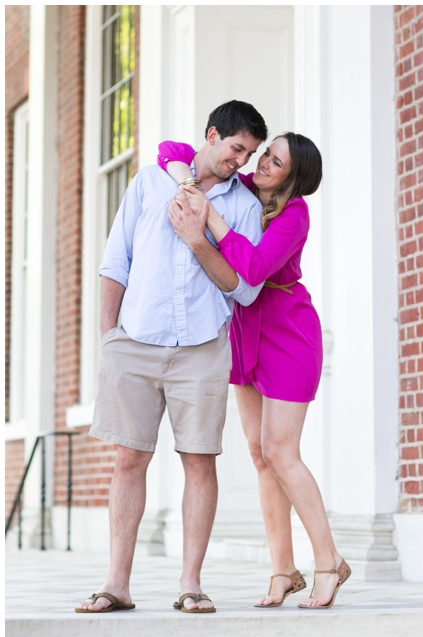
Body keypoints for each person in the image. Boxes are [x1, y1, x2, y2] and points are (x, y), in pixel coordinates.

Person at [76, 100, 269, 614]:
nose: (240, 163)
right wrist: (108, 338)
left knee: (200, 463)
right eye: (235, 149)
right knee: (127, 459)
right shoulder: (149, 181)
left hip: (203, 347)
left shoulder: (244, 207)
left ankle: (191, 584)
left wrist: (198, 237)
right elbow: (116, 260)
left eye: (249, 155)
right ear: (212, 135)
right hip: (134, 340)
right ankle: (117, 583)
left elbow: (245, 290)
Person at [159, 131, 350, 609]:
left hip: (288, 334)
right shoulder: (243, 185)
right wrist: (189, 183)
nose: (262, 163)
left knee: (281, 452)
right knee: (259, 454)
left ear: (294, 177)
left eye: (275, 161)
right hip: (246, 333)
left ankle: (329, 562)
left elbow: (256, 268)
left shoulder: (295, 215)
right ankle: (283, 569)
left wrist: (211, 217)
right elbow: (171, 151)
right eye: (266, 154)